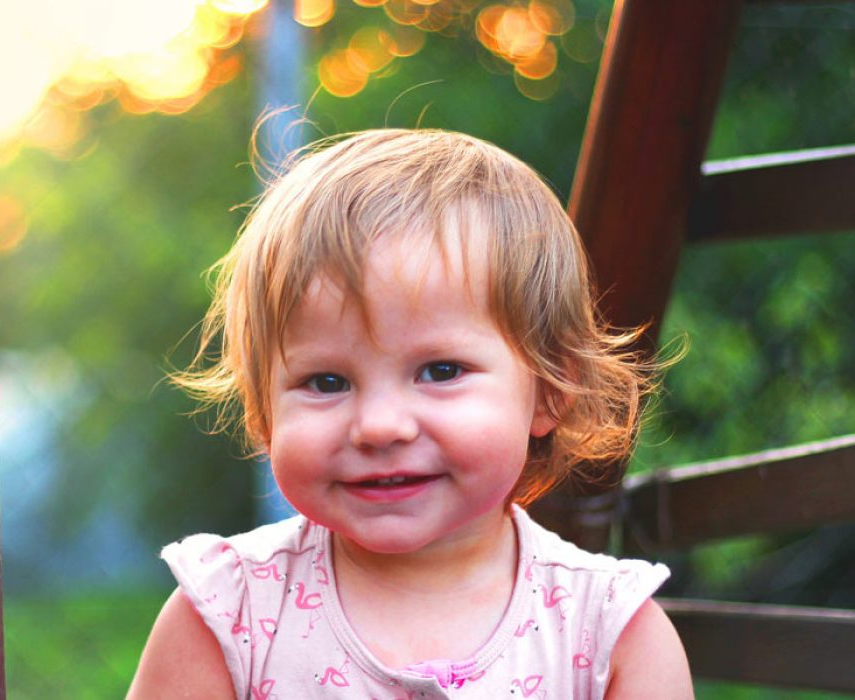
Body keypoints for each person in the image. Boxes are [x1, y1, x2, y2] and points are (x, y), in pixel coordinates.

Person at [128, 129, 692, 699]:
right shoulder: (227, 616)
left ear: (550, 387)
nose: (379, 426)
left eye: (440, 371)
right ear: (262, 412)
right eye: (326, 382)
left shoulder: (611, 636)